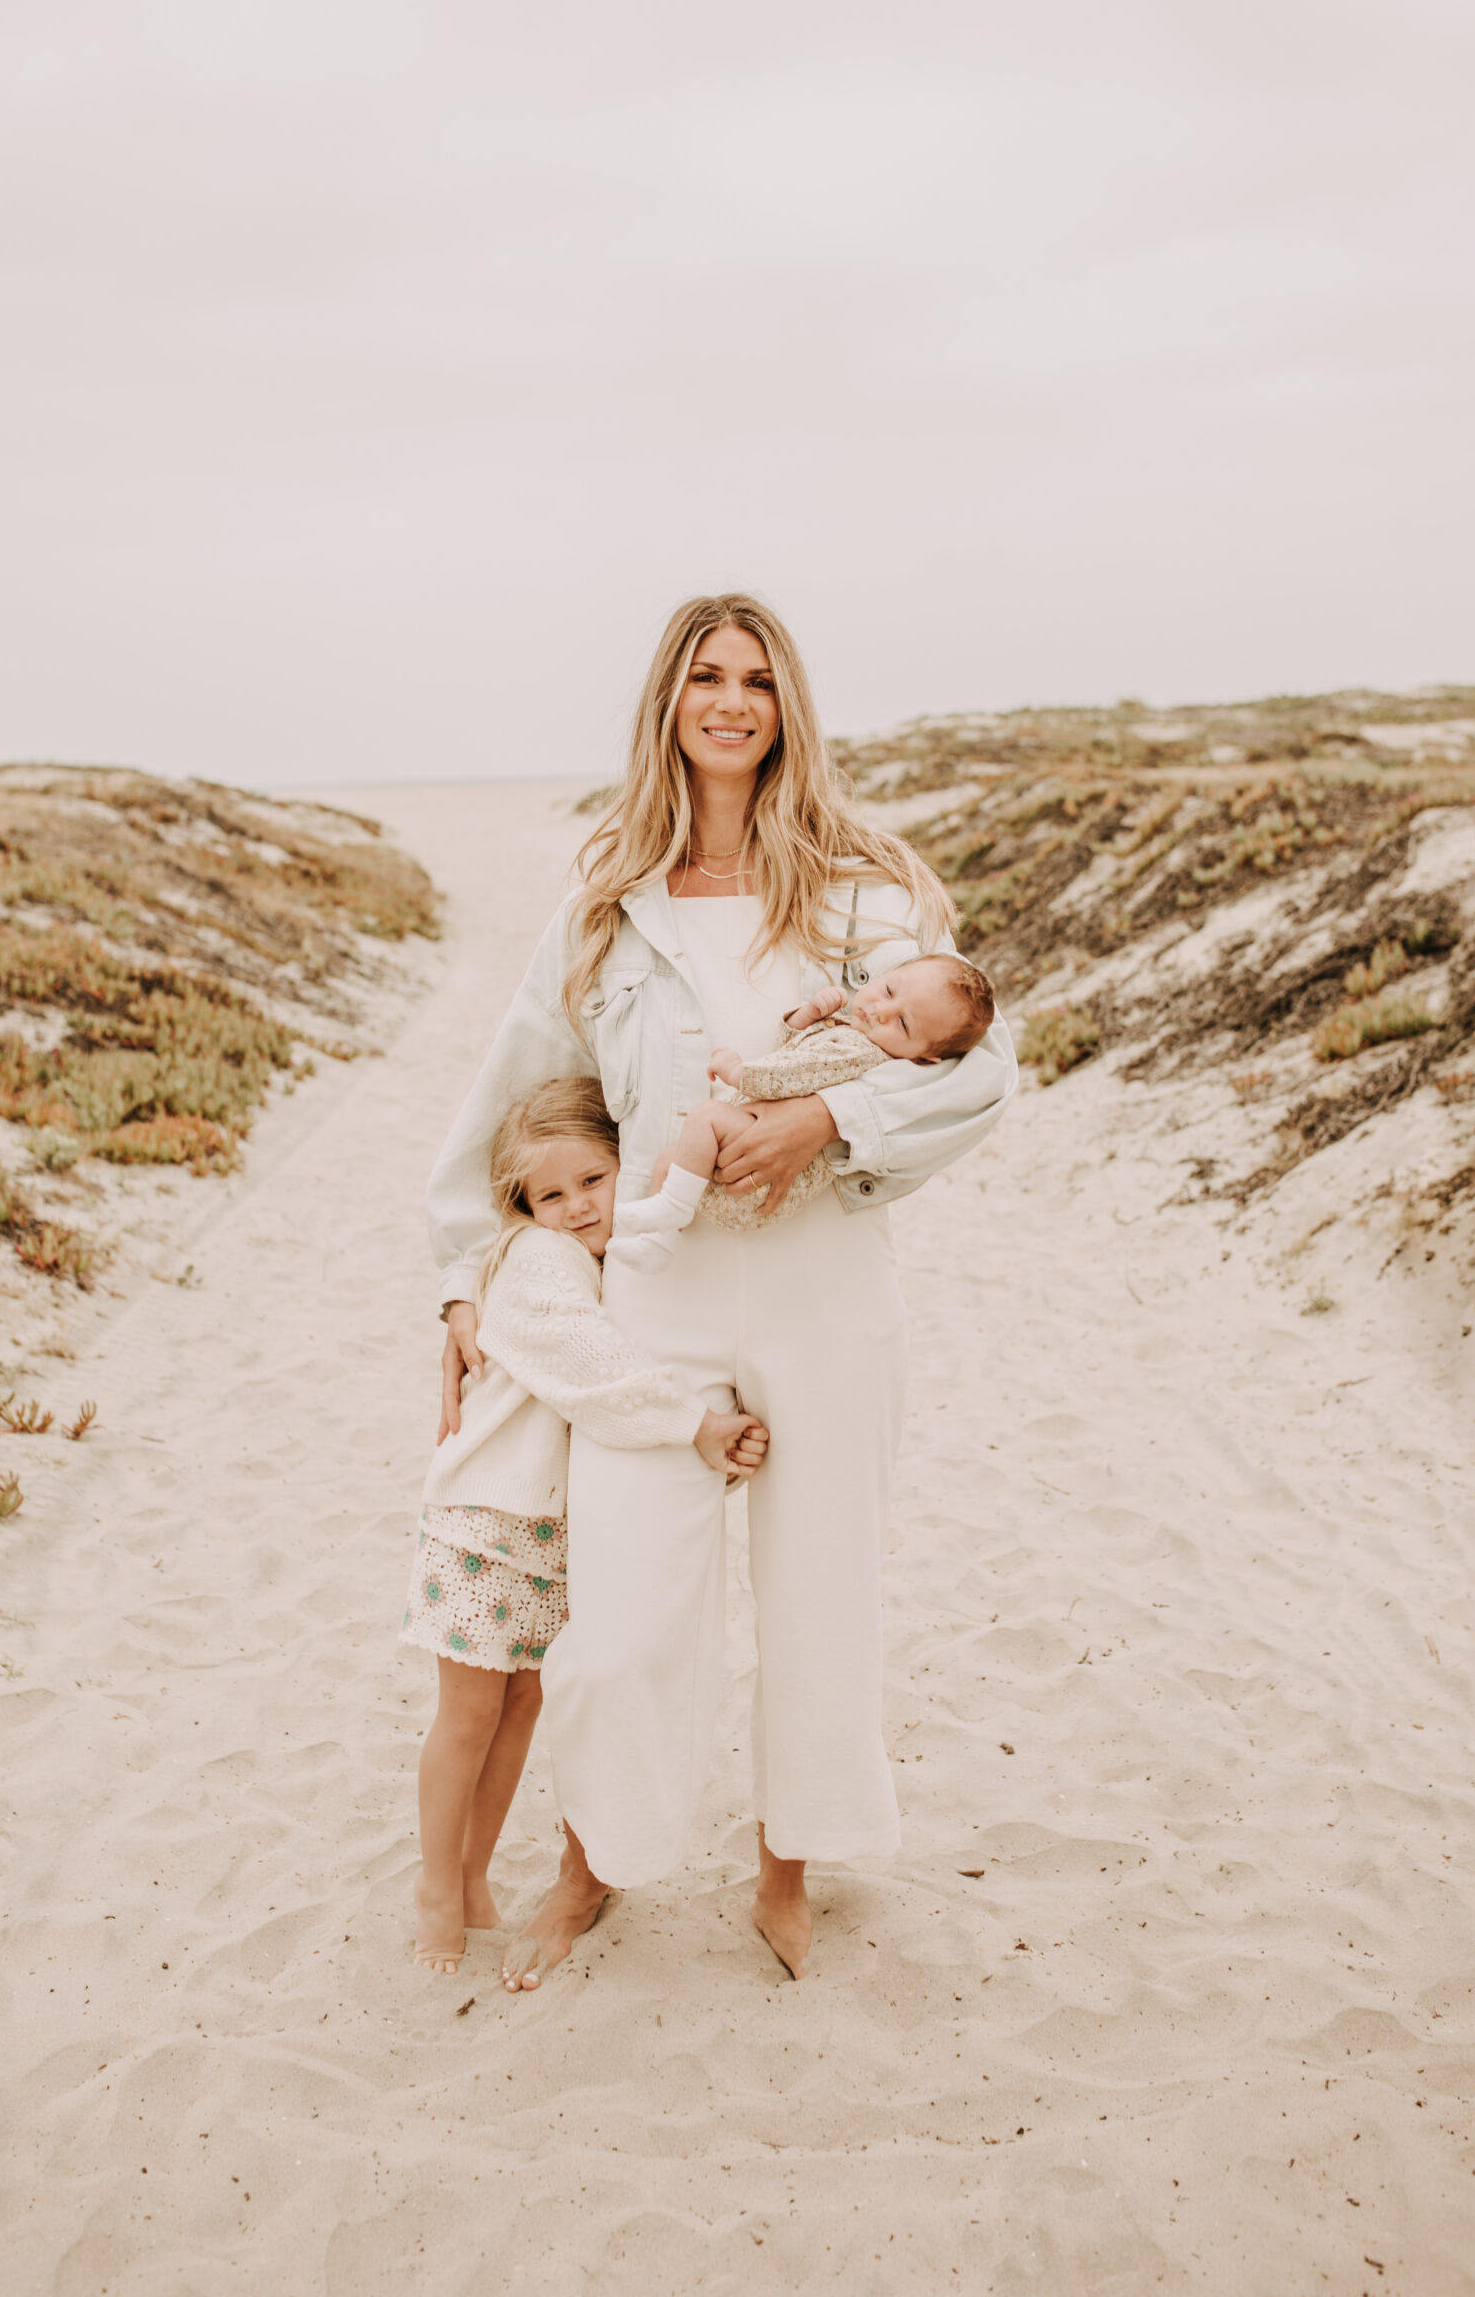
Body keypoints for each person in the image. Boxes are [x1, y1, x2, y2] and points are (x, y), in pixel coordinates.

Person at [429, 593, 1018, 1988]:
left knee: (820, 1599)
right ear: (668, 703)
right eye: (706, 676)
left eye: (757, 678)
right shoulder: (604, 901)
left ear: (786, 705)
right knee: (622, 1616)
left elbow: (982, 1068)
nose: (732, 700)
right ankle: (594, 1864)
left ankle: (785, 1867)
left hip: (824, 1283)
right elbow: (509, 1098)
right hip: (660, 1289)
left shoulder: (871, 892)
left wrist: (823, 1125)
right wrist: (464, 1282)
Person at [404, 1076, 767, 1975]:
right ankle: (436, 1893)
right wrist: (694, 1425)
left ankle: (475, 1874)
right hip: (485, 1523)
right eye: (549, 1194)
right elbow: (589, 1363)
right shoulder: (538, 1262)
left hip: (545, 1532)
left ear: (622, 1167)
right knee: (466, 1716)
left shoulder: (611, 1260)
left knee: (522, 1704)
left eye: (591, 1182)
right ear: (522, 1207)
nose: (573, 1209)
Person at [608, 957, 999, 1269]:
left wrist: (737, 1071)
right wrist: (806, 1017)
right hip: (759, 1173)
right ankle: (659, 1241)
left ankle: (674, 1207)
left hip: (761, 1175)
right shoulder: (851, 1034)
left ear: (926, 1057)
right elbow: (795, 1052)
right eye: (888, 989)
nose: (881, 1010)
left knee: (705, 1117)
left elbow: (789, 1074)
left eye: (902, 1022)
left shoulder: (859, 1050)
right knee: (670, 1159)